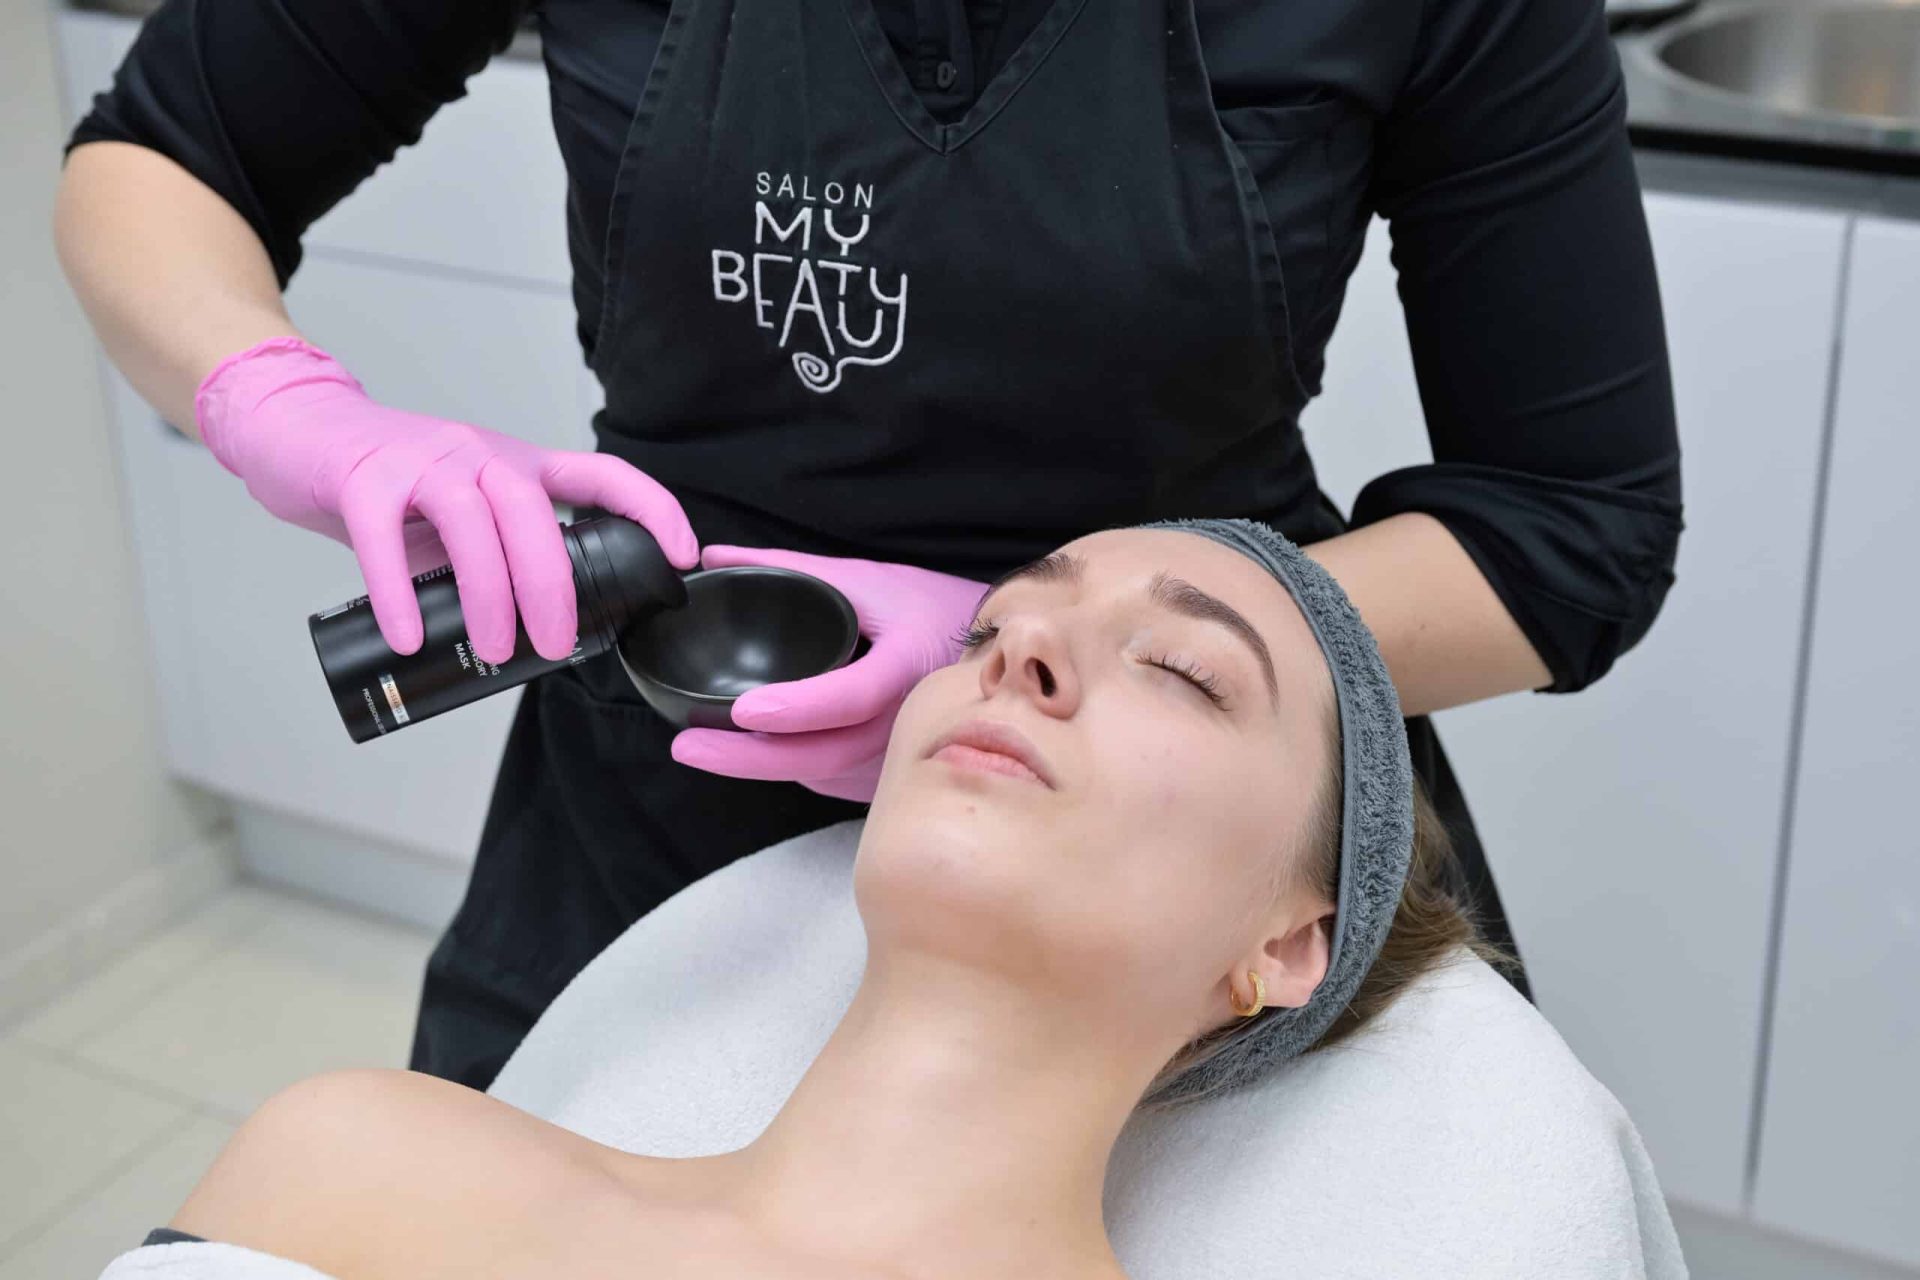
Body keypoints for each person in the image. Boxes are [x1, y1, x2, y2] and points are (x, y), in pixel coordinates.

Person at [53, 0, 1683, 1091]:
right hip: (671, 768)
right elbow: (165, 154)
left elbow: (1572, 529)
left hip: (1164, 843)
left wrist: (1067, 646)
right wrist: (286, 408)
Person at [118, 522, 1514, 1280]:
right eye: (989, 629)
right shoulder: (362, 1158)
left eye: (1186, 672)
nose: (1018, 652)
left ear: (1287, 945)